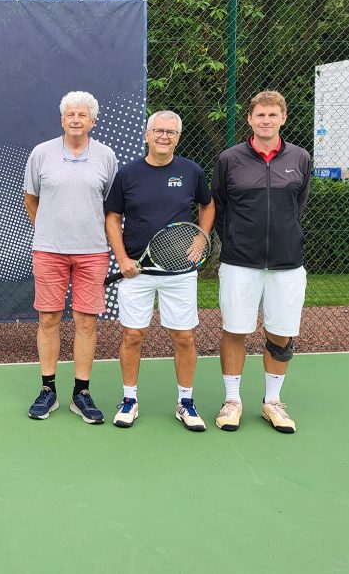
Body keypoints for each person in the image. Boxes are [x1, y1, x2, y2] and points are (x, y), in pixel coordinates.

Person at [103, 111, 215, 431]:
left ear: (178, 137)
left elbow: (208, 205)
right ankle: (129, 400)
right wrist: (122, 258)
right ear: (147, 135)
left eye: (171, 132)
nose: (164, 136)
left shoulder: (191, 171)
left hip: (179, 272)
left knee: (183, 336)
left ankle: (186, 403)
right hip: (136, 272)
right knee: (133, 334)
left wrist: (201, 237)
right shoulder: (128, 174)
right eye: (158, 131)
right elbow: (113, 217)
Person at [211, 90, 311, 434]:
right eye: (260, 115)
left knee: (280, 335)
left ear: (283, 118)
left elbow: (298, 205)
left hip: (288, 264)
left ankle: (272, 403)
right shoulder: (230, 159)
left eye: (272, 115)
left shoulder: (299, 158)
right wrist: (237, 240)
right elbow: (220, 207)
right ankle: (232, 401)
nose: (266, 120)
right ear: (250, 119)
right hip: (240, 263)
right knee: (235, 330)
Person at [23, 91, 119, 423]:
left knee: (86, 322)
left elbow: (110, 206)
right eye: (70, 114)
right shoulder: (41, 154)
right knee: (48, 320)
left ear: (92, 121)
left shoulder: (106, 156)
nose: (75, 119)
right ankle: (48, 390)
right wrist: (49, 232)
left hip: (93, 252)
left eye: (82, 115)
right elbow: (31, 198)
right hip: (48, 251)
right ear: (62, 119)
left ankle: (82, 393)